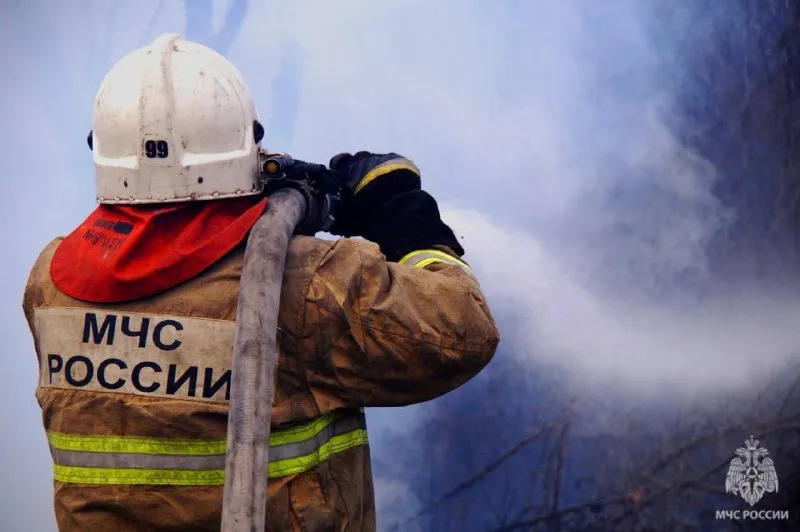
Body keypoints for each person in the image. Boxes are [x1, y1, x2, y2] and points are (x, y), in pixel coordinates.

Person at [22, 33, 499, 532]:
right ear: (246, 144)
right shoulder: (306, 285)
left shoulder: (51, 284)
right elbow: (463, 331)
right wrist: (403, 219)